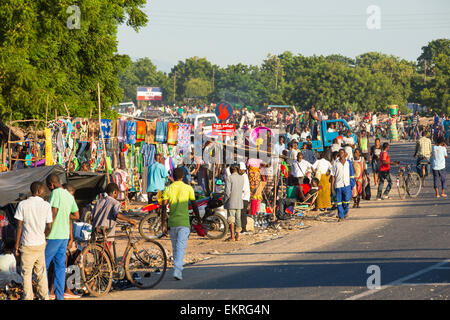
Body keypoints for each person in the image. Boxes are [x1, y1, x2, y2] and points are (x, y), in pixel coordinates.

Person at [13, 181, 52, 300]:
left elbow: (19, 226)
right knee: (41, 274)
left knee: (26, 275)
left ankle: (28, 297)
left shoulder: (23, 204)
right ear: (38, 191)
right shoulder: (46, 205)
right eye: (44, 190)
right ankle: (44, 297)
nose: (45, 192)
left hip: (27, 244)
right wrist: (44, 237)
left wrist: (16, 245)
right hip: (40, 244)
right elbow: (49, 226)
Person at [45, 173, 79, 300]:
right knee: (60, 268)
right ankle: (59, 297)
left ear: (51, 185)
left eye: (49, 187)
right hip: (64, 236)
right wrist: (65, 215)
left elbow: (53, 214)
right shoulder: (68, 195)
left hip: (54, 235)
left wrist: (45, 234)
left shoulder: (56, 193)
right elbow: (76, 215)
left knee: (43, 265)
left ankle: (45, 294)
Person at [162, 167, 200, 280]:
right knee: (181, 247)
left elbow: (164, 208)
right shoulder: (188, 188)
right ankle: (177, 270)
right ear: (183, 177)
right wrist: (199, 219)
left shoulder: (168, 189)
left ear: (173, 176)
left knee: (175, 247)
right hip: (184, 222)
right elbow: (194, 205)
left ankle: (177, 268)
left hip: (172, 223)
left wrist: (163, 223)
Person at [331, 149, 353, 221]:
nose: (341, 154)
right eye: (340, 153)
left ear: (344, 154)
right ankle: (341, 216)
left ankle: (345, 211)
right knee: (339, 202)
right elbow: (333, 175)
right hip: (338, 185)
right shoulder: (335, 163)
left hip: (347, 184)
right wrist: (332, 187)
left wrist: (352, 184)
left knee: (346, 200)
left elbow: (351, 173)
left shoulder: (348, 162)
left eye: (342, 152)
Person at [224, 164, 245, 241]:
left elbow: (227, 192)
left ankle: (232, 236)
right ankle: (238, 236)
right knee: (238, 219)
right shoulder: (242, 178)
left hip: (231, 202)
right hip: (239, 201)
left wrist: (225, 200)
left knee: (231, 220)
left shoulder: (229, 178)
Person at [239, 162, 251, 233]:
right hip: (243, 197)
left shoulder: (244, 177)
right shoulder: (243, 176)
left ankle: (243, 228)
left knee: (243, 213)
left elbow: (244, 189)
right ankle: (242, 227)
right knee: (242, 213)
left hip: (244, 198)